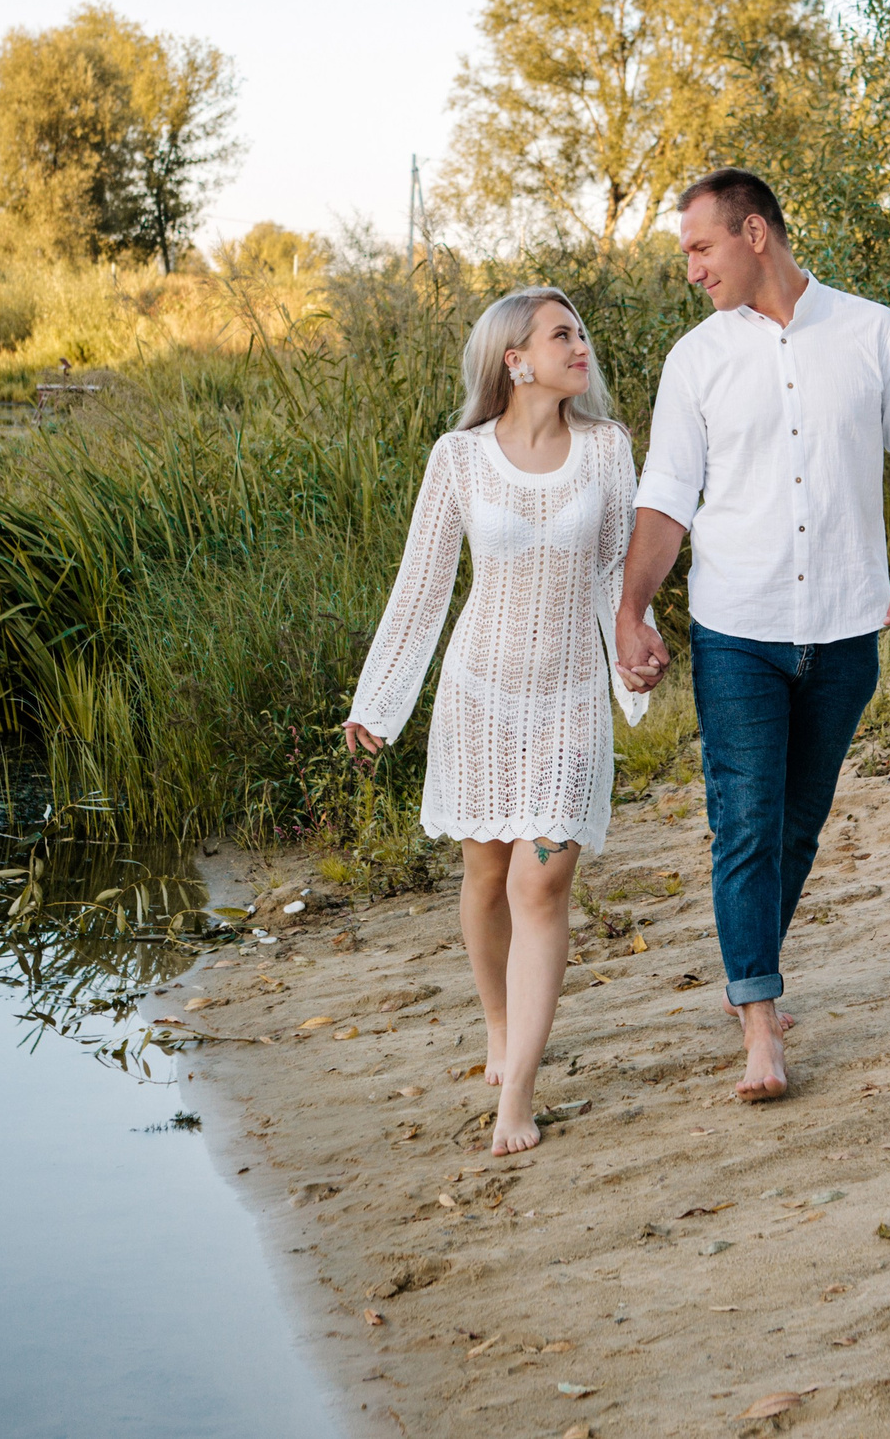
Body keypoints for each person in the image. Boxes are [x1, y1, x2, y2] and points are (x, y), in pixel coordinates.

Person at [616, 168, 890, 1103]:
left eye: (700, 248)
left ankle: (747, 970)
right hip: (738, 627)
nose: (691, 270)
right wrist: (631, 608)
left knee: (798, 825)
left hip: (848, 626)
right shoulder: (696, 360)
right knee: (747, 822)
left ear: (755, 232)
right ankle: (760, 1025)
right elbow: (665, 500)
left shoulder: (874, 332)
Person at [343, 288, 656, 1156]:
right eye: (563, 335)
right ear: (514, 360)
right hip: (479, 698)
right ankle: (497, 1021)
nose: (581, 344)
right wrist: (380, 701)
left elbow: (615, 578)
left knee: (541, 885)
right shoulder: (459, 458)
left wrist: (635, 657)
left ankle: (517, 1091)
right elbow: (423, 584)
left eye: (582, 331)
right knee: (483, 879)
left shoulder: (607, 452)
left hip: (568, 702)